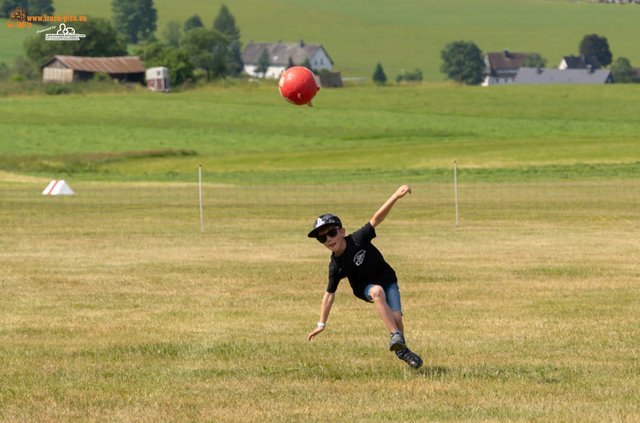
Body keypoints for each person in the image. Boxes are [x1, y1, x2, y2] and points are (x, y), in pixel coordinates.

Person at [306, 185, 423, 369]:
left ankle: (402, 350)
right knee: (377, 292)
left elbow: (377, 219)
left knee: (397, 318)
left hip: (388, 280)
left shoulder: (358, 239)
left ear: (342, 231)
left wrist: (395, 196)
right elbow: (329, 294)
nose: (328, 239)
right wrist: (321, 323)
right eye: (322, 238)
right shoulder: (335, 265)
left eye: (331, 233)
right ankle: (395, 336)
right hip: (364, 287)